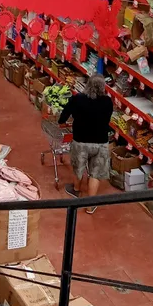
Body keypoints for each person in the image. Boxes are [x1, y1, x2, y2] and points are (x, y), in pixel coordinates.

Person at [57, 74, 113, 211]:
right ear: (103, 88)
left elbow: (64, 114)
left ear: (88, 85)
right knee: (96, 173)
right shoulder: (107, 102)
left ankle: (76, 189)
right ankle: (90, 205)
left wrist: (61, 122)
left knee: (79, 167)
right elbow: (107, 119)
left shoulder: (78, 99)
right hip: (100, 142)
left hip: (81, 140)